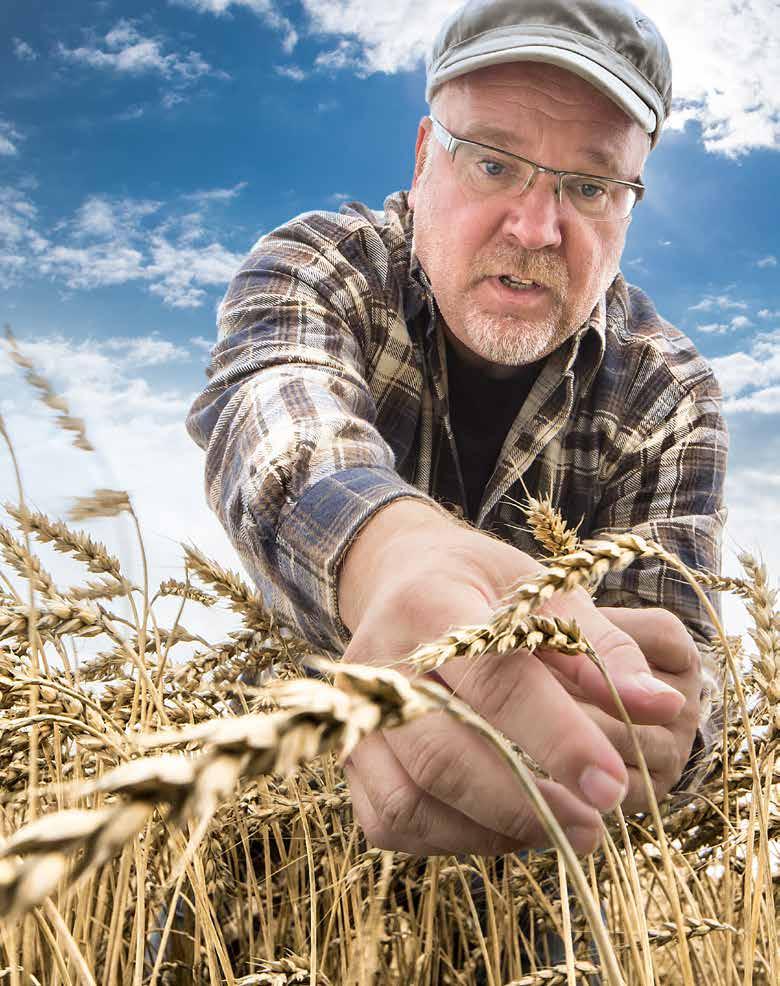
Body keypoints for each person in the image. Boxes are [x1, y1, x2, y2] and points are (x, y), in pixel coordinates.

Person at [186, 0, 728, 862]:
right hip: (283, 803)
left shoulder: (670, 395)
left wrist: (667, 730)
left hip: (547, 851)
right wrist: (392, 554)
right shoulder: (325, 268)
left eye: (589, 187)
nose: (535, 227)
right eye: (491, 164)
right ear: (423, 158)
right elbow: (278, 412)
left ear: (631, 207)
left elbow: (684, 661)